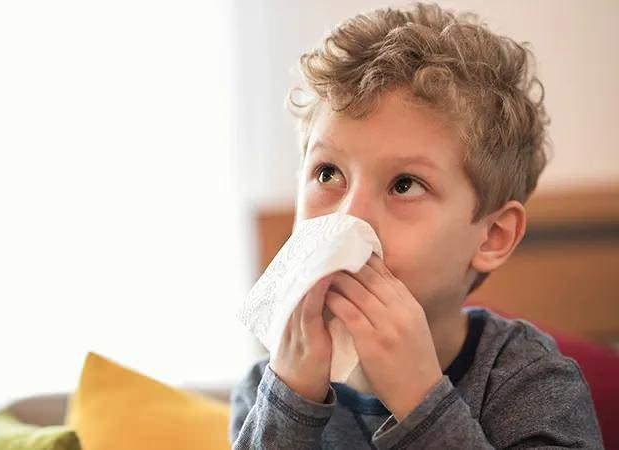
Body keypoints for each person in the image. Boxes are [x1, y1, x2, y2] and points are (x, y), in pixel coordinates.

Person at [229, 3, 603, 449]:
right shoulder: (265, 392)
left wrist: (421, 401)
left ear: (492, 236)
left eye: (404, 185)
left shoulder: (531, 383)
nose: (349, 217)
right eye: (328, 173)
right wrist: (289, 400)